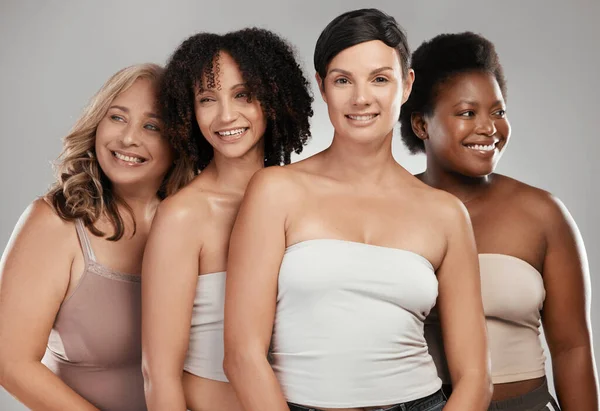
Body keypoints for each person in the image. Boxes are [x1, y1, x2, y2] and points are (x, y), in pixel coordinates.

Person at [224, 9, 491, 411]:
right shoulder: (276, 190)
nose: (361, 98)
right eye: (343, 80)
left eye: (380, 79)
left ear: (406, 85)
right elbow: (242, 355)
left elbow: (474, 378)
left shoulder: (445, 214)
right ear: (322, 87)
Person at [401, 31, 598, 411]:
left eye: (498, 111)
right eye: (466, 112)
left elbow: (572, 347)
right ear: (421, 125)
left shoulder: (542, 214)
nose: (489, 127)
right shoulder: (391, 210)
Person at [140, 28, 313, 411]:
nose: (225, 115)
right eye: (207, 99)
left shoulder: (308, 199)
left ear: (273, 99)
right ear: (188, 110)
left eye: (242, 95)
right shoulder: (184, 215)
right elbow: (159, 374)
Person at [0, 63, 187, 411]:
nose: (129, 138)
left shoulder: (193, 223)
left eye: (151, 125)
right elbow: (11, 364)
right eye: (117, 117)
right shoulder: (55, 222)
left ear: (178, 141)